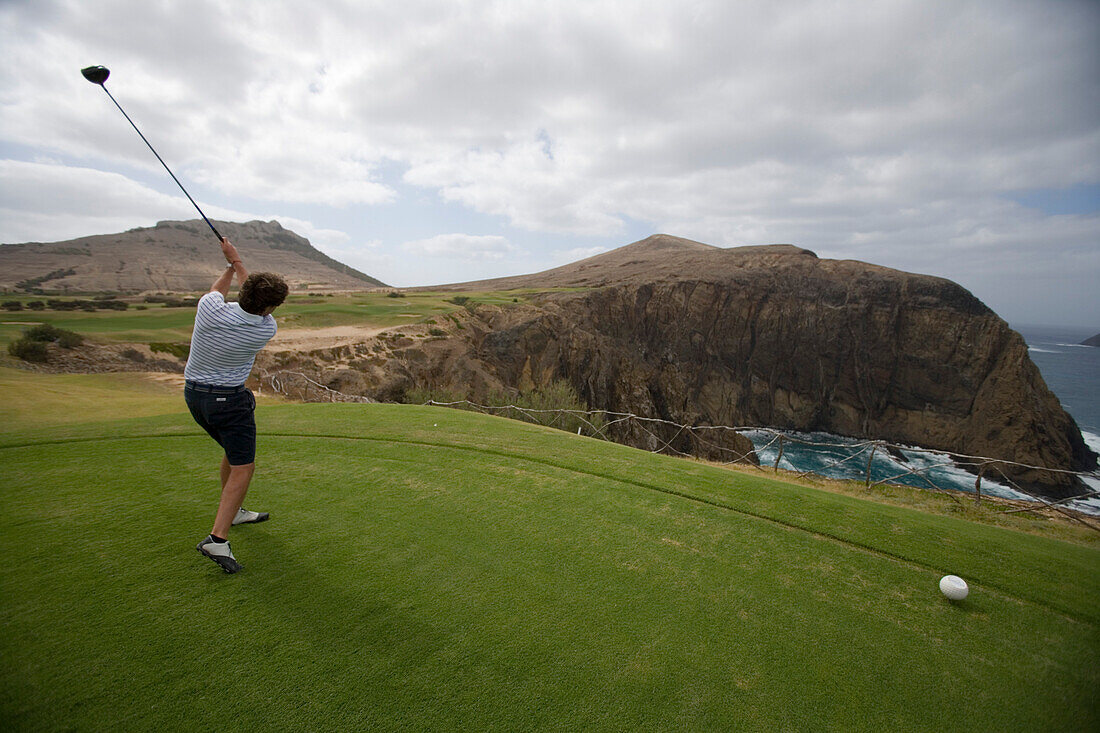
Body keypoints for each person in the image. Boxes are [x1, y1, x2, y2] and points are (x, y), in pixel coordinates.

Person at [185, 237, 288, 573]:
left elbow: (221, 291)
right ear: (270, 308)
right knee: (244, 467)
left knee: (232, 453)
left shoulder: (208, 308)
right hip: (228, 402)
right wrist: (238, 262)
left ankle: (236, 510)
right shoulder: (264, 328)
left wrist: (232, 265)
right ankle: (217, 538)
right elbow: (256, 299)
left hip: (194, 396)